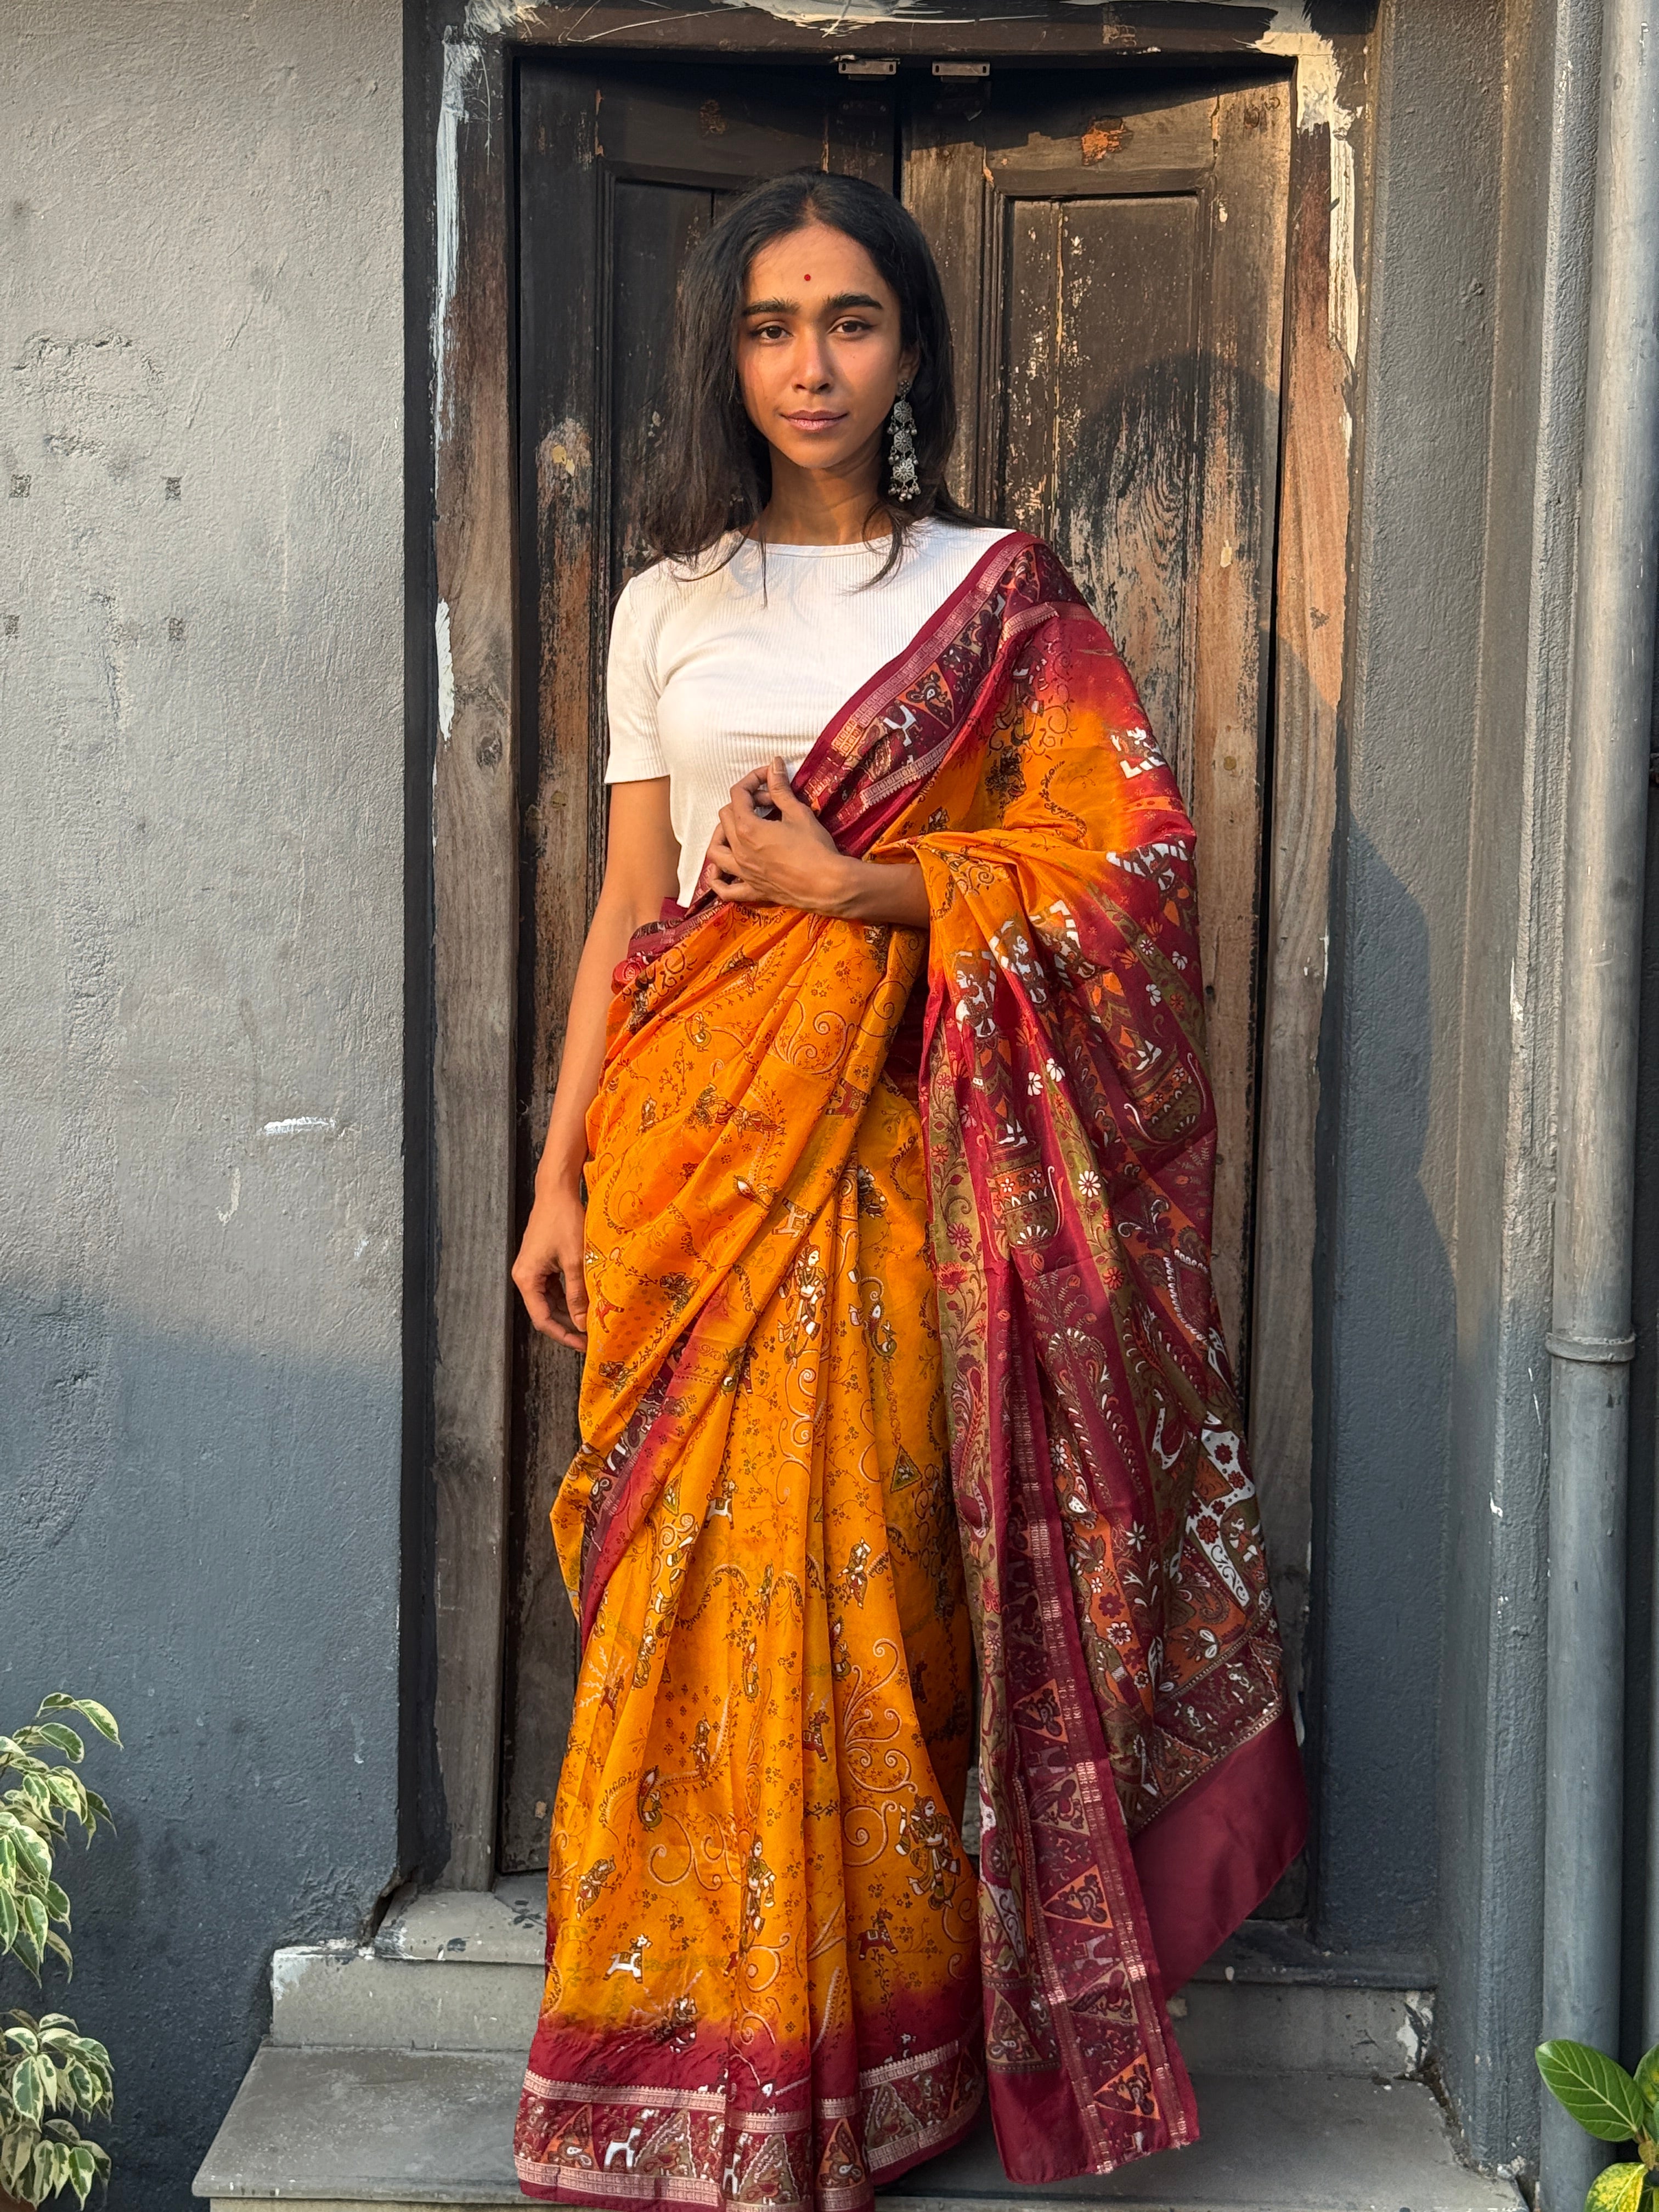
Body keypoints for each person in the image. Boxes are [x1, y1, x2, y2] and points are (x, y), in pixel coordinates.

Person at [509, 168, 1305, 2212]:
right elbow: (624, 916)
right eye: (774, 326)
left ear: (913, 349)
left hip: (894, 1187)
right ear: (729, 354)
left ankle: (878, 2062)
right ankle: (673, 2048)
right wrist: (560, 1177)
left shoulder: (1001, 601)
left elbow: (1129, 889)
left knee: (867, 1599)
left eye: (851, 321)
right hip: (693, 1168)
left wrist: (862, 885)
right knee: (678, 1604)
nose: (810, 363)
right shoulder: (663, 606)